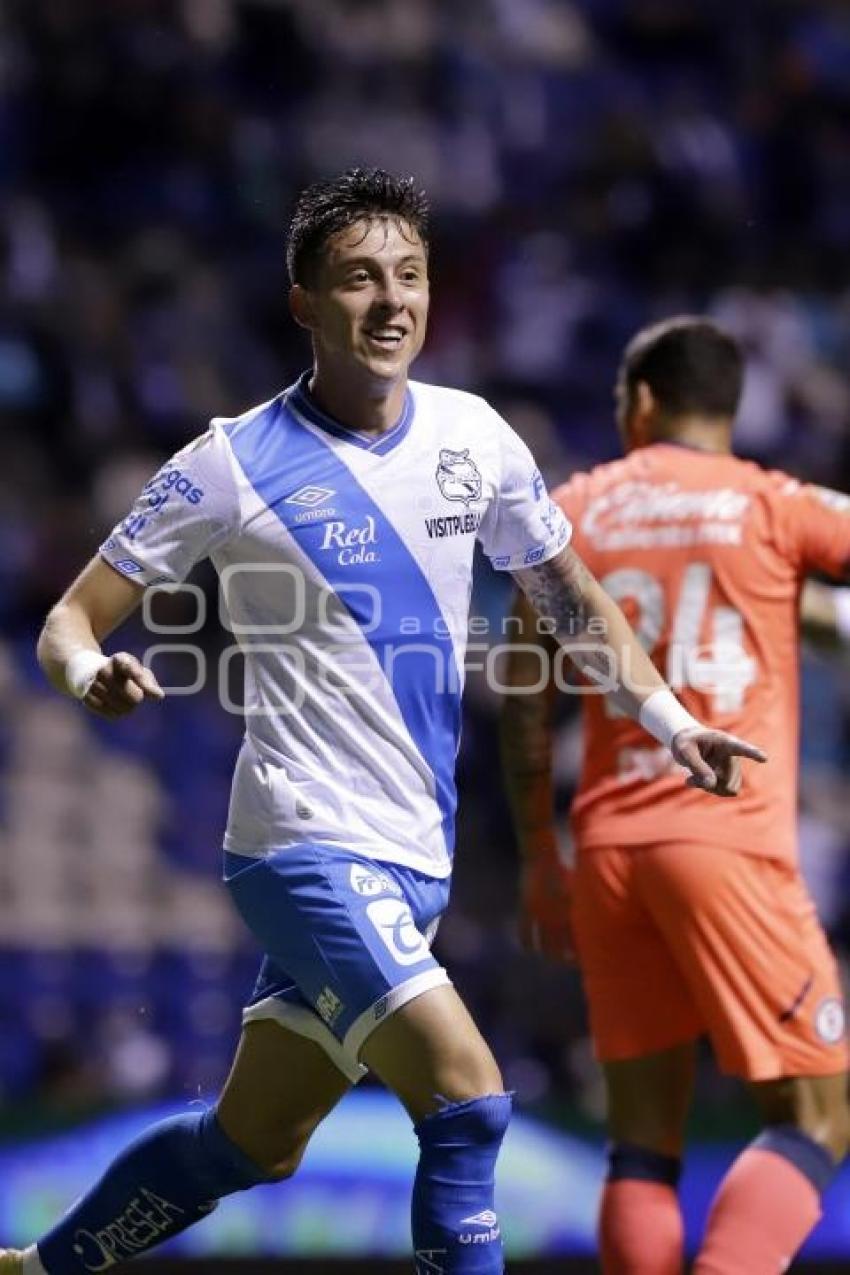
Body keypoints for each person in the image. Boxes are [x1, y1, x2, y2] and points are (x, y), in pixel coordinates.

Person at [4, 179, 763, 1275]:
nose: (391, 299)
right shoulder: (229, 462)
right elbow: (69, 620)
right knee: (468, 1098)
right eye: (359, 276)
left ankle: (40, 1269)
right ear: (305, 301)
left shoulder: (475, 436)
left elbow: (569, 599)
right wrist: (88, 675)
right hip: (300, 844)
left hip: (415, 856)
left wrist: (664, 714)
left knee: (251, 1145)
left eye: (407, 274)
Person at [500, 316, 850, 1275]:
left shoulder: (569, 508)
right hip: (724, 837)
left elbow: (523, 698)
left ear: (642, 402)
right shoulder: (772, 503)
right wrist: (812, 610)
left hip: (607, 849)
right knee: (822, 1112)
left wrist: (540, 857)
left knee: (642, 1140)